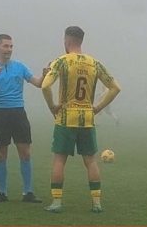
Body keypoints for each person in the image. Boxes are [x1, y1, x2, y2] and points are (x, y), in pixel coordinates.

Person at [41, 26, 121, 213]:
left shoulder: (61, 61)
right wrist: (98, 107)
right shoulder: (94, 63)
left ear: (66, 40)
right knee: (91, 161)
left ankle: (57, 203)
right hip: (87, 119)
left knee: (59, 160)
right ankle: (96, 203)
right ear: (81, 41)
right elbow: (116, 87)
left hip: (66, 119)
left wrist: (52, 106)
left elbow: (45, 86)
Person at [0, 34, 43, 203]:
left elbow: (38, 83)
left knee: (26, 153)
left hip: (18, 113)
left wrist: (46, 74)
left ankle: (28, 192)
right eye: (6, 46)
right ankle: (2, 193)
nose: (9, 50)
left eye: (11, 46)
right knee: (1, 155)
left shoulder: (20, 67)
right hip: (0, 114)